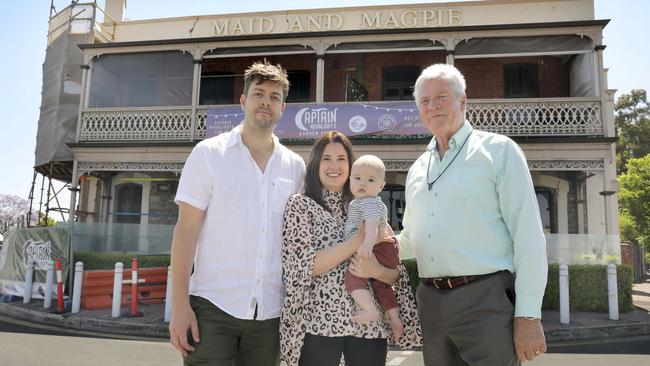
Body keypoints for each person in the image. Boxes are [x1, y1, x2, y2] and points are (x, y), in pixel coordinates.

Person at [398, 63, 548, 365]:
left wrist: (529, 315)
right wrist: (366, 241)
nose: (433, 106)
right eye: (425, 101)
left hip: (485, 299)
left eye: (441, 97)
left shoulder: (499, 151)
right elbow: (412, 239)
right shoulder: (416, 170)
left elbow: (528, 236)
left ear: (463, 101)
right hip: (430, 302)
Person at [168, 61, 306, 366]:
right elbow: (186, 231)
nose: (266, 102)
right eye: (259, 94)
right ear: (243, 101)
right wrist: (179, 306)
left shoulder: (295, 167)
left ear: (283, 107)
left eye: (274, 96)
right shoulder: (208, 154)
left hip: (270, 314)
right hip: (213, 308)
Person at [280, 132, 421, 366]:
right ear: (315, 163)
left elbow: (394, 271)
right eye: (326, 158)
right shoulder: (301, 205)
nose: (334, 166)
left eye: (341, 159)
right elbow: (301, 266)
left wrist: (375, 270)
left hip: (368, 328)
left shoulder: (368, 203)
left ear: (351, 164)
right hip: (320, 325)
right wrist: (358, 241)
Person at [343, 155, 404, 341]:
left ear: (381, 187)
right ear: (350, 180)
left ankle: (370, 310)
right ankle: (394, 319)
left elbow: (371, 225)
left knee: (353, 277)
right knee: (381, 286)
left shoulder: (368, 202)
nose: (363, 183)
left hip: (377, 247)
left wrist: (367, 244)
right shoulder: (360, 202)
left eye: (371, 180)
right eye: (357, 178)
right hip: (385, 248)